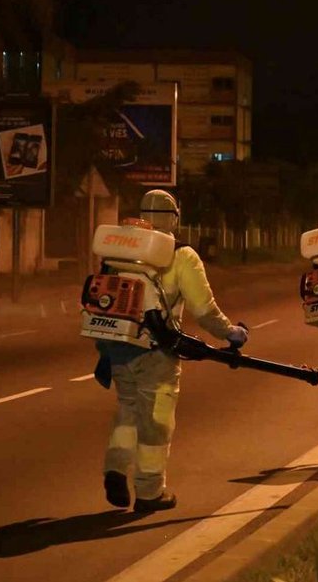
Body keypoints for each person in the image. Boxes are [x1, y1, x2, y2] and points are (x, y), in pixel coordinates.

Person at [95, 189, 248, 512]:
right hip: (156, 351)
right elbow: (204, 311)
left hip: (118, 345)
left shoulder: (117, 251)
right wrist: (232, 334)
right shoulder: (181, 255)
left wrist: (103, 351)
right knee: (156, 421)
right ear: (174, 218)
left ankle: (115, 467)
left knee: (128, 410)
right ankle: (150, 492)